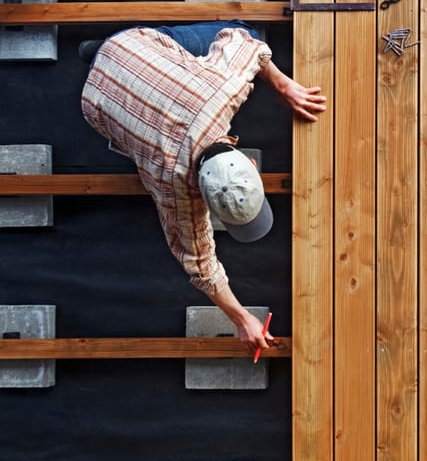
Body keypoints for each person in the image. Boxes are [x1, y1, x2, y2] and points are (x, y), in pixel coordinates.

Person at [80, 20, 326, 352]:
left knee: (249, 32)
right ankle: (103, 65)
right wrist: (240, 318)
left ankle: (102, 57)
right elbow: (199, 265)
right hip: (94, 100)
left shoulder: (221, 91)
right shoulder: (172, 190)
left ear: (250, 164)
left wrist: (284, 87)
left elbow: (246, 43)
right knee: (140, 151)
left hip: (126, 50)